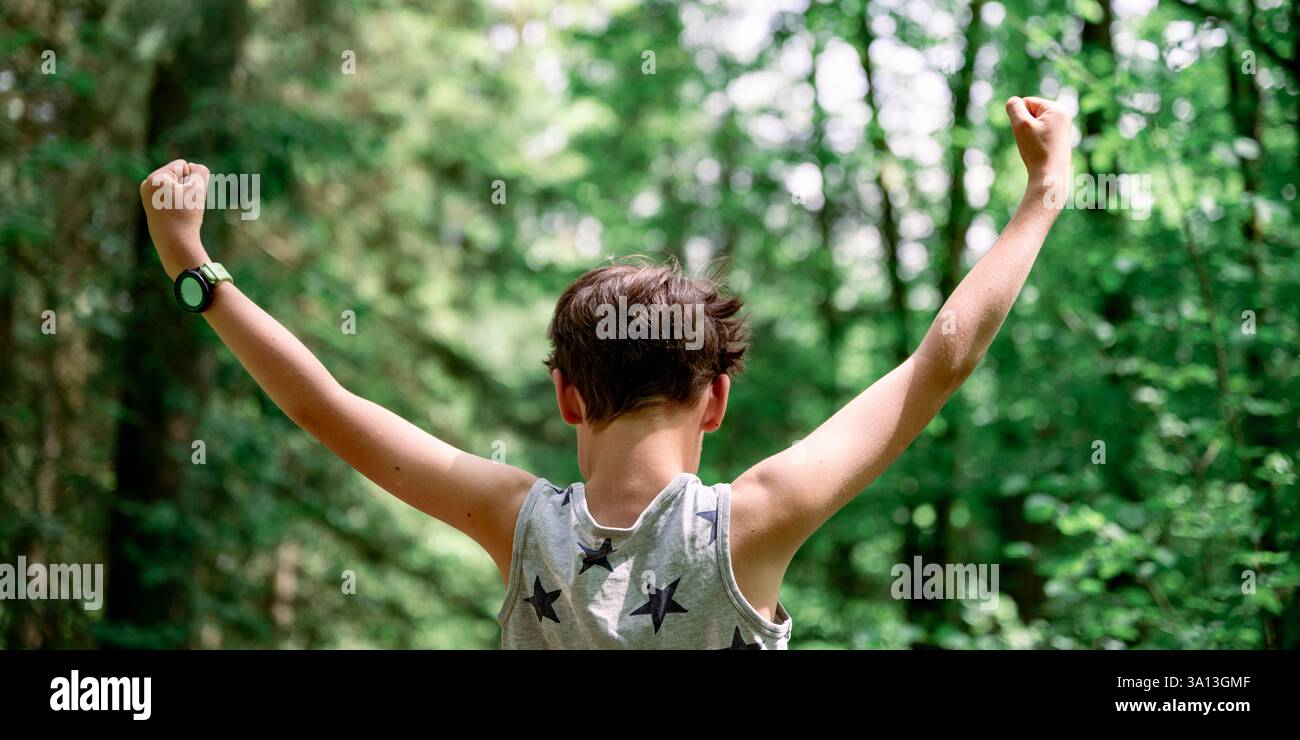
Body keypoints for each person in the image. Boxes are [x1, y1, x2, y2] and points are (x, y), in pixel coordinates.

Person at [139, 96, 1072, 649]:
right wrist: (1042, 194)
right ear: (716, 401)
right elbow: (941, 360)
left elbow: (324, 404)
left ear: (566, 396)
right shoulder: (754, 520)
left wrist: (194, 264)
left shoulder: (515, 525)